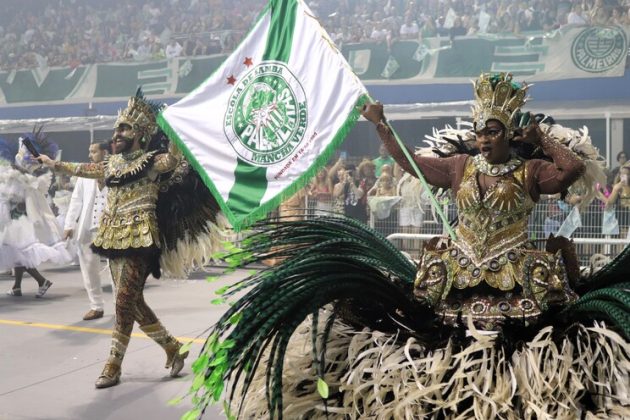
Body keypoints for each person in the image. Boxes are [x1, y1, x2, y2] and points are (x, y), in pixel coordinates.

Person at [184, 73, 629, 418]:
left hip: (519, 273)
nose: (484, 137)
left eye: (493, 130)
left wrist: (541, 140)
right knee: (438, 334)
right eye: (480, 130)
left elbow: (569, 171)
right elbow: (411, 163)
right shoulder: (459, 166)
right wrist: (381, 126)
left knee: (523, 339)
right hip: (459, 269)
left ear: (507, 132)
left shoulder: (531, 170)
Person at [39, 89, 226, 389]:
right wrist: (54, 164)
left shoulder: (152, 161)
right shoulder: (111, 164)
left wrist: (174, 128)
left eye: (124, 128)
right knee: (132, 302)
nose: (117, 133)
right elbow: (85, 169)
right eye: (117, 128)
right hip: (112, 238)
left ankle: (113, 365)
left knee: (123, 302)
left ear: (140, 133)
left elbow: (174, 158)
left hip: (141, 239)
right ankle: (173, 348)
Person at [63, 141, 112, 321]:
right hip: (88, 227)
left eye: (93, 151)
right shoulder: (85, 174)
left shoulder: (117, 171)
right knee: (89, 268)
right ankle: (96, 306)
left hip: (112, 228)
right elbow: (76, 200)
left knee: (116, 269)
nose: (90, 154)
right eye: (89, 151)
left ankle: (122, 305)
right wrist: (69, 224)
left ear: (105, 152)